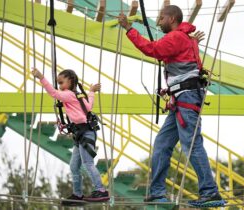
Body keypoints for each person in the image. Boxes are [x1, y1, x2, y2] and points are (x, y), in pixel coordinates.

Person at [118, 5, 225, 208]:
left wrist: (129, 29)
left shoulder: (176, 37)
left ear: (172, 18)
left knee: (191, 144)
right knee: (162, 144)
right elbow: (170, 56)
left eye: (161, 18)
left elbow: (154, 50)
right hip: (181, 99)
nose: (158, 22)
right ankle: (157, 192)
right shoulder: (183, 39)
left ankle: (210, 191)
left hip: (186, 98)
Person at [31, 68, 109, 205]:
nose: (60, 86)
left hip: (85, 133)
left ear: (70, 81)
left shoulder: (68, 94)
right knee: (74, 166)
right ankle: (78, 194)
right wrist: (91, 92)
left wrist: (41, 77)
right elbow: (89, 107)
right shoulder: (78, 95)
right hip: (81, 134)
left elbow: (53, 93)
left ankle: (101, 190)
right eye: (59, 84)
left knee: (88, 163)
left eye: (61, 83)